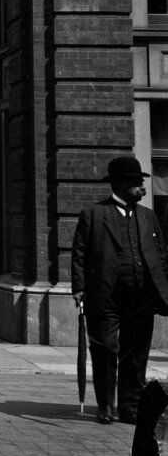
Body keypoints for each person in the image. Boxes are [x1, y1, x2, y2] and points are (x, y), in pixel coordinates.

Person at [72, 155, 168, 424]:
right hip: (105, 296)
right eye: (137, 183)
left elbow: (161, 255)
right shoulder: (93, 214)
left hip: (141, 298)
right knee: (104, 351)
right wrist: (79, 288)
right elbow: (79, 254)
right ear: (120, 184)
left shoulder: (148, 217)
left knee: (136, 355)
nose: (143, 188)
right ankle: (106, 406)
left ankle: (131, 408)